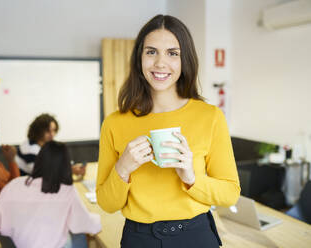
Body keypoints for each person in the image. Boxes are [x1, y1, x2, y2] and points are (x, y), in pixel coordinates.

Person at [96, 14, 240, 248]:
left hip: (196, 236)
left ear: (186, 60)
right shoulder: (114, 123)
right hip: (138, 239)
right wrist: (123, 168)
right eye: (151, 52)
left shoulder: (210, 116)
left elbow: (230, 193)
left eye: (173, 53)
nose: (160, 63)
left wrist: (191, 178)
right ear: (139, 59)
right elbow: (107, 203)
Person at [0, 141, 101, 248]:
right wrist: (97, 219)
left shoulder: (13, 185)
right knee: (79, 233)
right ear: (65, 165)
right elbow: (87, 224)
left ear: (39, 160)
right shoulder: (66, 190)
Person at [16, 113, 85, 177]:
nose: (52, 134)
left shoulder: (44, 144)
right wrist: (70, 170)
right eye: (48, 131)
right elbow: (41, 173)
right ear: (38, 131)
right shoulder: (30, 149)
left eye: (54, 130)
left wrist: (70, 167)